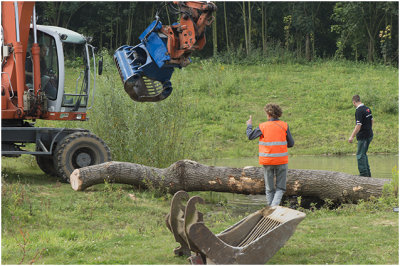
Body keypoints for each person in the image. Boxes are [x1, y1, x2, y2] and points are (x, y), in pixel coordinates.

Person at [246, 104, 294, 206]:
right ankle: (273, 209)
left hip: (267, 161)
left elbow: (250, 136)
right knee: (280, 188)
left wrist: (249, 125)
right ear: (278, 114)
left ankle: (271, 209)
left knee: (269, 189)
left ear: (268, 114)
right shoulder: (284, 125)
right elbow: (291, 143)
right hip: (281, 161)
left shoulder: (262, 126)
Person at [348, 95, 374, 177]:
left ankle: (364, 175)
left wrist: (351, 136)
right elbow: (372, 120)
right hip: (369, 134)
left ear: (354, 102)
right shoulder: (367, 108)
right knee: (364, 154)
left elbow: (358, 125)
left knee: (360, 155)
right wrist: (369, 129)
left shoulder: (359, 111)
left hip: (363, 137)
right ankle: (368, 174)